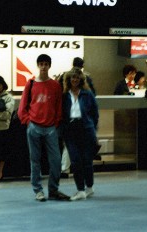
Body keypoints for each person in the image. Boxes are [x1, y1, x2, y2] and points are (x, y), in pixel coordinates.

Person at [17, 54, 70, 202]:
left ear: (49, 66)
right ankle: (38, 191)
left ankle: (53, 189)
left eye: (46, 64)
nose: (43, 66)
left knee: (56, 160)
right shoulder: (31, 84)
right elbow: (22, 106)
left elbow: (58, 106)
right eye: (41, 64)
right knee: (35, 160)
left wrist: (56, 122)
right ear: (38, 65)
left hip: (50, 127)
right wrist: (27, 121)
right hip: (34, 126)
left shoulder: (55, 86)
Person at [57, 57, 98, 178]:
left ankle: (65, 169)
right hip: (84, 123)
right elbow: (93, 101)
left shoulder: (64, 77)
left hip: (71, 122)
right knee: (82, 150)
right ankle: (83, 177)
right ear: (82, 66)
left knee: (69, 147)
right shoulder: (86, 80)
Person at [61, 67, 99, 201]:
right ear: (68, 80)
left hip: (86, 129)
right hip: (71, 130)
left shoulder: (87, 94)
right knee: (75, 160)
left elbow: (95, 113)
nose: (75, 80)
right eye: (72, 77)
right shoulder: (64, 95)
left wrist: (92, 128)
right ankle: (80, 189)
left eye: (77, 77)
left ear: (81, 79)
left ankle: (89, 187)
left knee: (87, 160)